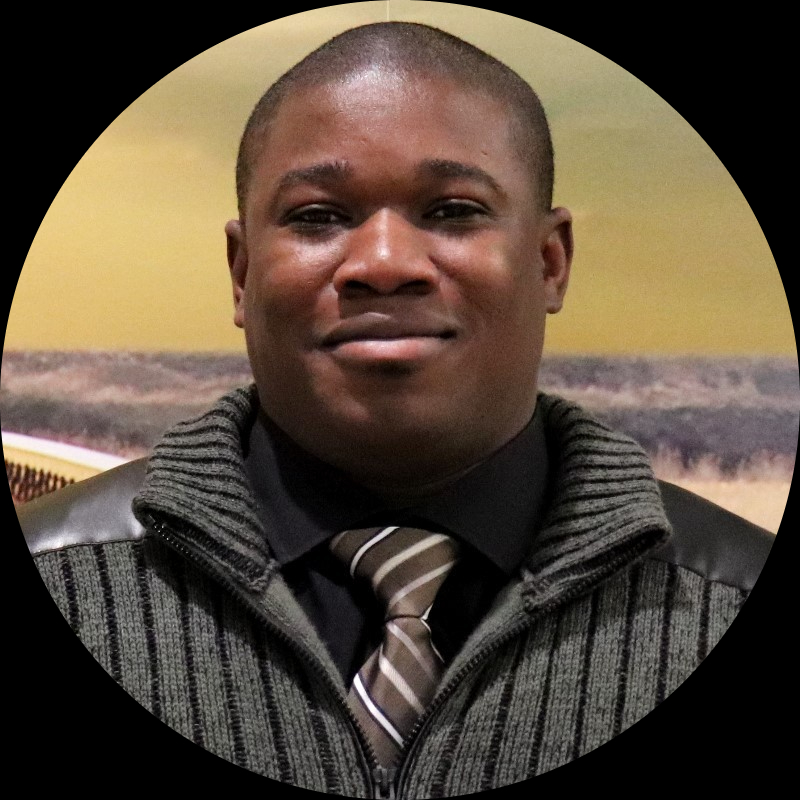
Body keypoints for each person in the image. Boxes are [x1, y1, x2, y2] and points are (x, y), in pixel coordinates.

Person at [19, 22, 773, 796]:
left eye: (453, 210)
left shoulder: (728, 595)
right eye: (318, 216)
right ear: (241, 274)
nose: (384, 263)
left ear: (549, 262)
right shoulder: (60, 576)